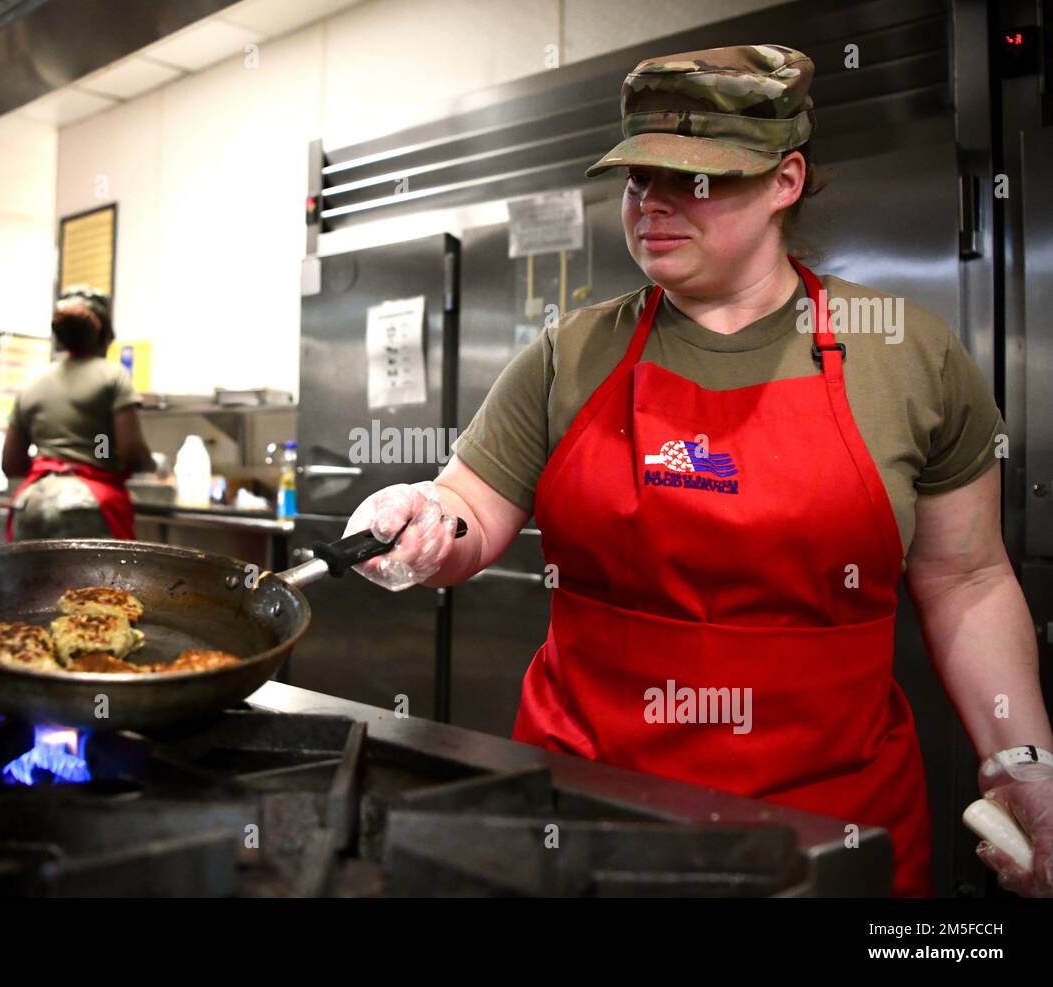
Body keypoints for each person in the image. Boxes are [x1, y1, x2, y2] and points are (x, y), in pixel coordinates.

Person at [344, 44, 1053, 897]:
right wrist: (424, 515)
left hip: (833, 829)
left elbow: (968, 577)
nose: (654, 204)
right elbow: (468, 507)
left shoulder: (908, 355)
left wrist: (1022, 760)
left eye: (695, 179)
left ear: (785, 180)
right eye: (639, 178)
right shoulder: (572, 353)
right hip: (589, 805)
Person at [2, 286, 155, 541]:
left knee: (28, 581)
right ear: (105, 336)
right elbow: (131, 452)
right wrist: (152, 466)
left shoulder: (32, 382)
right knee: (101, 581)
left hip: (31, 504)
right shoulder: (113, 376)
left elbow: (11, 463)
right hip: (90, 505)